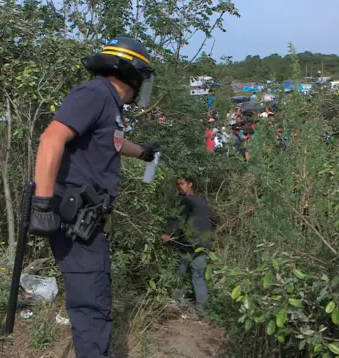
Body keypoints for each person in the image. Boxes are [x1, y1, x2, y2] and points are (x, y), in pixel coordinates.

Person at [29, 37, 161, 358]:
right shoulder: (94, 94)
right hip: (76, 219)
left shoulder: (107, 103)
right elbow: (51, 139)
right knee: (91, 307)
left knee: (93, 300)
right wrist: (42, 204)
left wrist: (142, 152)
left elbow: (112, 140)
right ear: (131, 73)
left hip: (87, 220)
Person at [161, 177, 218, 313]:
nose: (179, 186)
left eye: (181, 183)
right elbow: (215, 220)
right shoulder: (204, 202)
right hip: (203, 244)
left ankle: (176, 302)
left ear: (190, 184)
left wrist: (168, 235)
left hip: (189, 244)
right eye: (178, 184)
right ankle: (203, 310)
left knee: (181, 272)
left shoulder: (187, 200)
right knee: (198, 275)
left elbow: (179, 220)